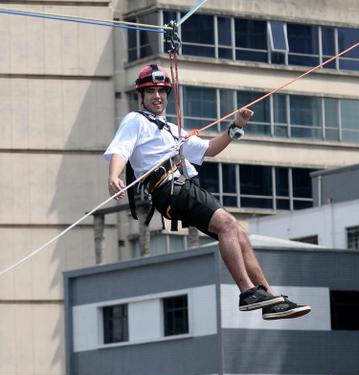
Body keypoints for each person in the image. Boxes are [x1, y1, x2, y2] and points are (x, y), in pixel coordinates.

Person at [104, 64, 311, 320]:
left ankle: (269, 298)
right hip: (169, 188)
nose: (157, 96)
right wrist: (114, 176)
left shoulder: (171, 130)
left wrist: (235, 126)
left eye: (161, 91)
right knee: (226, 224)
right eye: (151, 92)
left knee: (237, 231)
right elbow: (120, 150)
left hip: (182, 187)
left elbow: (209, 150)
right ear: (142, 96)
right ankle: (247, 291)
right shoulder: (136, 121)